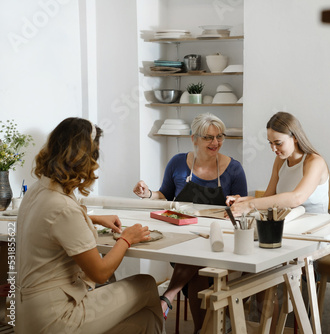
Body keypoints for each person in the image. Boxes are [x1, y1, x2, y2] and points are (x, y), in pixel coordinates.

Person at [16, 118, 163, 334]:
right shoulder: (63, 207)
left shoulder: (37, 191)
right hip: (56, 318)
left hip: (28, 313)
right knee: (147, 284)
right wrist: (127, 239)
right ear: (85, 157)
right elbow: (100, 273)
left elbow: (50, 222)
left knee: (145, 320)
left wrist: (93, 218)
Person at [133, 113, 247, 333]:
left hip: (220, 243)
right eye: (208, 138)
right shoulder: (178, 163)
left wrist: (235, 205)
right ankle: (203, 329)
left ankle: (168, 297)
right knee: (197, 265)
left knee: (199, 261)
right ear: (194, 138)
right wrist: (147, 194)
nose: (216, 143)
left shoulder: (234, 169)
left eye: (219, 136)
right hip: (182, 239)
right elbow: (164, 195)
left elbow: (241, 208)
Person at [227, 111, 330, 215]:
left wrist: (251, 204)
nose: (273, 149)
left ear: (295, 137)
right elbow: (268, 199)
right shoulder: (280, 161)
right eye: (270, 143)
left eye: (278, 143)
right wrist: (244, 201)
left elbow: (297, 198)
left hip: (315, 227)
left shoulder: (315, 162)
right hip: (288, 226)